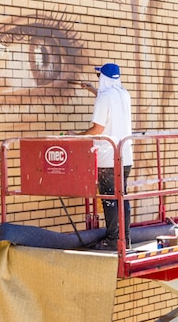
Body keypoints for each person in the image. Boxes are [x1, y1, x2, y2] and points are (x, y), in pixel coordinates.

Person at [69, 62, 133, 251]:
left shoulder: (105, 98)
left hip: (108, 157)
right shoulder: (124, 94)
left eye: (99, 77)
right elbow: (109, 104)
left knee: (109, 200)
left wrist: (76, 136)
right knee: (122, 197)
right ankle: (125, 239)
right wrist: (92, 91)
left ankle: (113, 240)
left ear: (103, 78)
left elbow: (97, 129)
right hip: (126, 156)